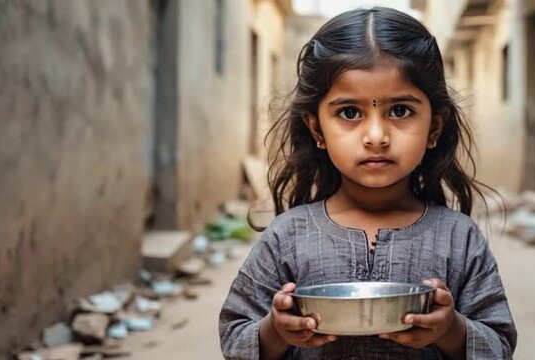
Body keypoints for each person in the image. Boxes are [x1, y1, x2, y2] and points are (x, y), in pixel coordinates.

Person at [219, 7, 516, 359]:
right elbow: (235, 338)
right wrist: (276, 330)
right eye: (349, 113)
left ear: (434, 127)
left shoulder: (458, 237)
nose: (376, 136)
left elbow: (498, 345)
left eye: (400, 110)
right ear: (317, 129)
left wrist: (451, 329)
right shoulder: (287, 237)